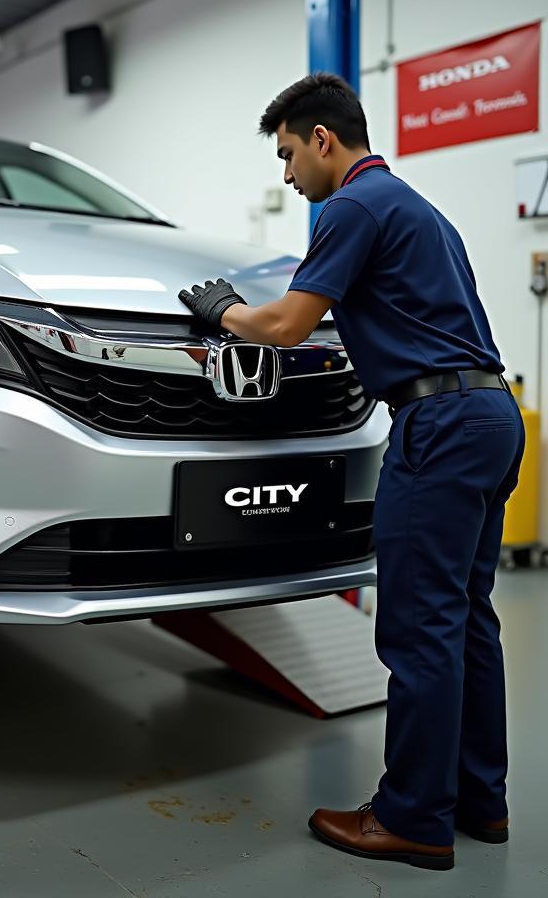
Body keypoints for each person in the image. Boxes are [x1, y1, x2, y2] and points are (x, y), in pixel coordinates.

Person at [179, 73, 525, 872]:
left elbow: (288, 325)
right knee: (469, 619)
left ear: (323, 140)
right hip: (490, 416)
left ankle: (411, 818)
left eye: (289, 154)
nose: (288, 175)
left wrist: (225, 310)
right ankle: (481, 801)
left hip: (434, 424)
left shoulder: (353, 206)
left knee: (418, 626)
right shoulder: (419, 210)